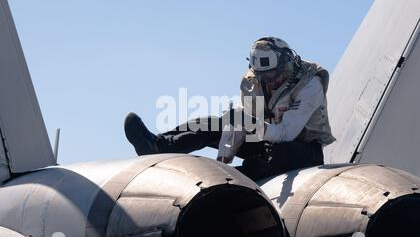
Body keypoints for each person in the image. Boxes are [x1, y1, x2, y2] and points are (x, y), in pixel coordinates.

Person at [124, 37, 336, 180]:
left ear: (288, 64)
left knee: (279, 155)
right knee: (210, 123)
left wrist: (250, 123)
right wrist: (222, 162)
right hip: (264, 140)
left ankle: (241, 177)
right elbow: (237, 126)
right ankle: (157, 146)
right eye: (265, 77)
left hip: (301, 148)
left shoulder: (310, 83)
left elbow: (285, 133)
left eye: (275, 74)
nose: (271, 82)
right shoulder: (252, 82)